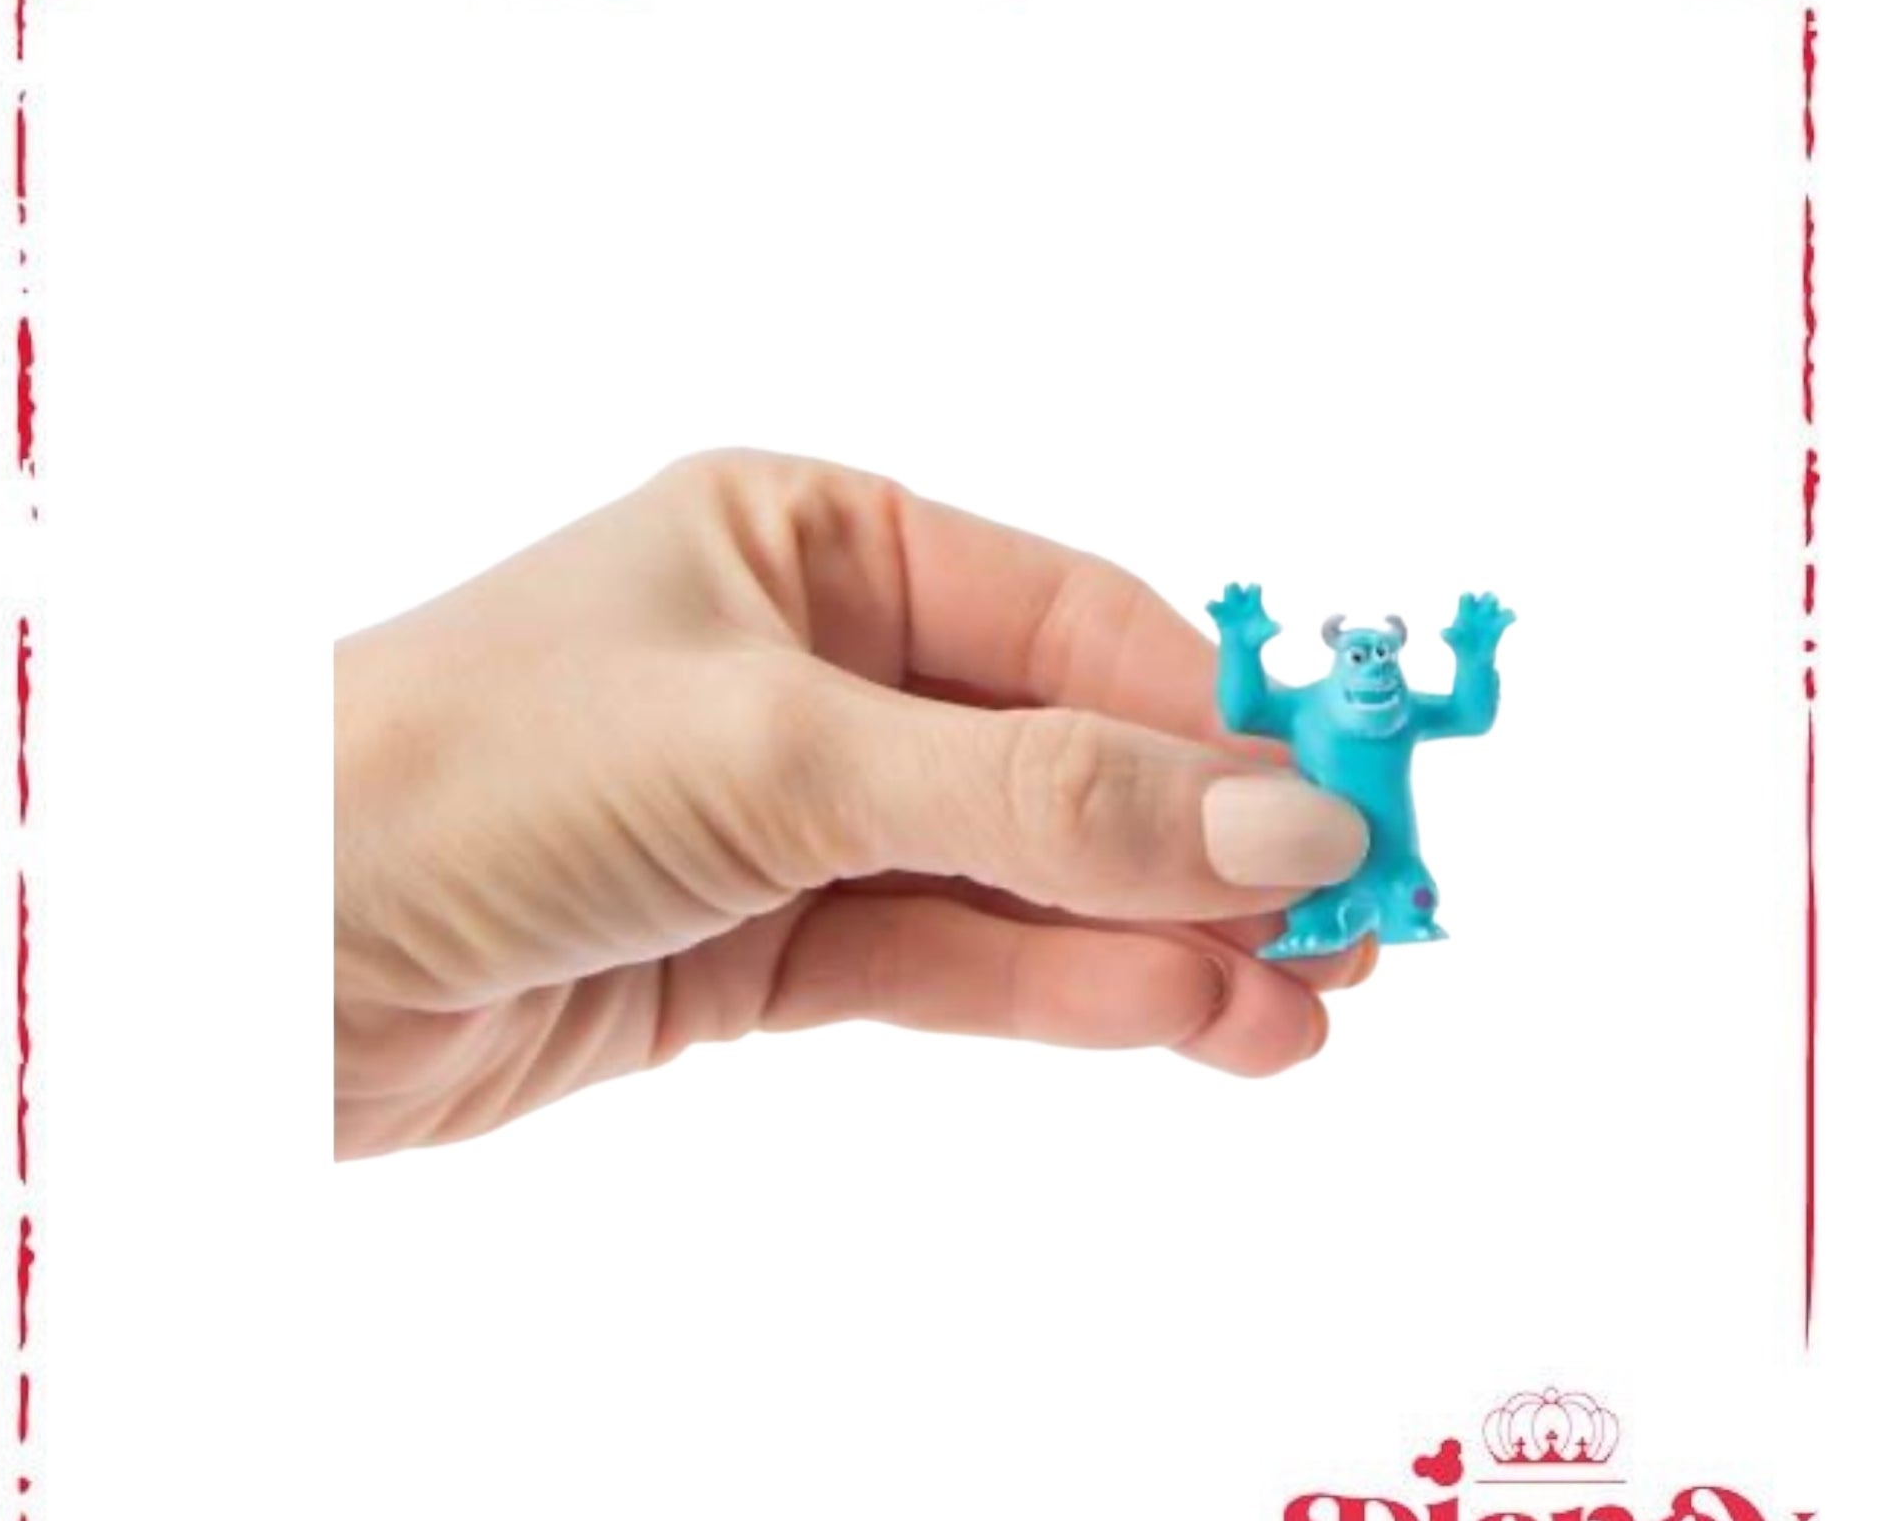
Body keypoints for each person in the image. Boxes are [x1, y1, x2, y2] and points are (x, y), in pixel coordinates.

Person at [334, 450, 1373, 1158]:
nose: (1370, 669)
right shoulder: (1306, 713)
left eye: (1378, 658)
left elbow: (1439, 711)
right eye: (1358, 654)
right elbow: (1249, 707)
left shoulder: (1368, 719)